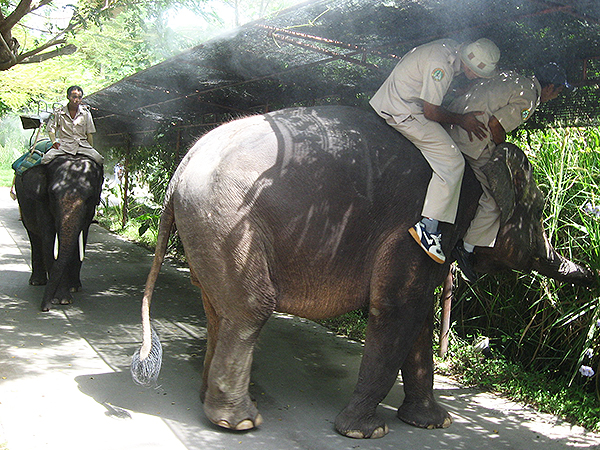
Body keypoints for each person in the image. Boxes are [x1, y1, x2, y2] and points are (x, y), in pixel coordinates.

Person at [370, 38, 500, 264]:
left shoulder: (451, 48)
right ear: (471, 65)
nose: (479, 78)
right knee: (452, 162)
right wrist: (462, 120)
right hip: (403, 110)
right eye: (479, 73)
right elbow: (431, 112)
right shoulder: (442, 65)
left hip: (398, 101)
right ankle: (428, 228)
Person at [446, 62, 571, 281]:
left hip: (451, 125)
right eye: (558, 92)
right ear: (550, 88)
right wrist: (500, 151)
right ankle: (466, 249)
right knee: (496, 197)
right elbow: (495, 124)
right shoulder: (528, 98)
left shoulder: (510, 77)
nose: (555, 97)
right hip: (468, 139)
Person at [42, 85, 104, 165]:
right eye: (74, 97)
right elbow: (51, 130)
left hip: (82, 146)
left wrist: (90, 148)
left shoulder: (86, 113)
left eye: (79, 97)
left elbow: (89, 133)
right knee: (45, 159)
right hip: (64, 146)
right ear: (68, 97)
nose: (77, 100)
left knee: (99, 159)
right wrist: (54, 142)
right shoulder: (59, 113)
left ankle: (101, 177)